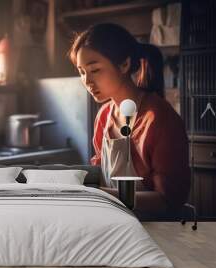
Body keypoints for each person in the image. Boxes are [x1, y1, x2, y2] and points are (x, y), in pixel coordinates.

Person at [68, 23, 190, 216]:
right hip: (117, 224)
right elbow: (100, 174)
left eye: (95, 70)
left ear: (124, 65)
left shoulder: (159, 119)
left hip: (158, 231)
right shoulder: (104, 116)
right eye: (82, 72)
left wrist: (100, 195)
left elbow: (169, 200)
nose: (87, 81)